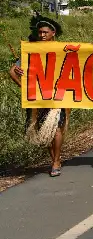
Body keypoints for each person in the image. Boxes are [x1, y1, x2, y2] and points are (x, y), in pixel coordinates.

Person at [9, 16, 68, 177]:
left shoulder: (62, 49)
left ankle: (56, 162)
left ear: (53, 33)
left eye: (45, 32)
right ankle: (55, 158)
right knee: (43, 131)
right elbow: (12, 71)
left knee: (56, 128)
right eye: (40, 32)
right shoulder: (32, 50)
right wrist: (25, 87)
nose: (42, 35)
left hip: (57, 96)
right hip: (38, 98)